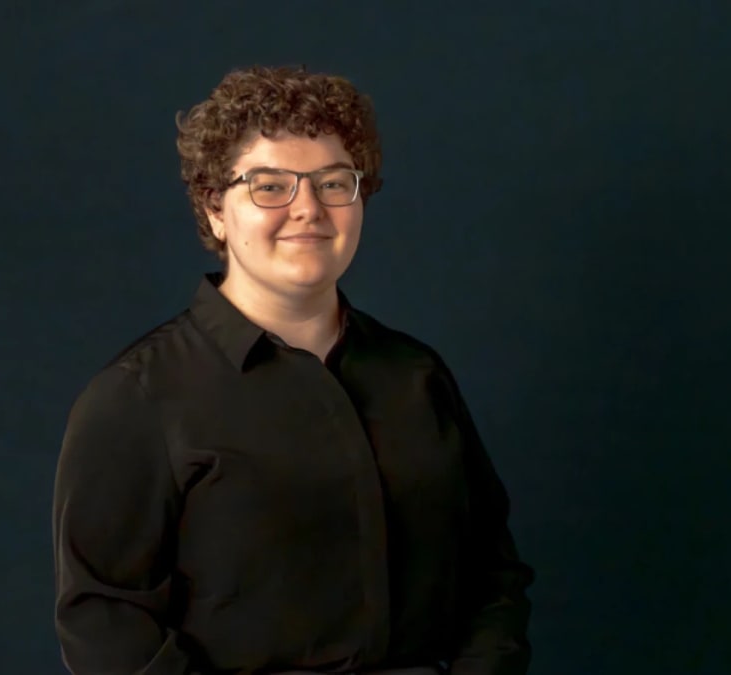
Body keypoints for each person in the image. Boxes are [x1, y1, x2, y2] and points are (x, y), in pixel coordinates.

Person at [51, 65, 534, 675]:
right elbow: (106, 621)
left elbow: (492, 571)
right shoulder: (136, 398)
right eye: (270, 185)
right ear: (215, 209)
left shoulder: (416, 375)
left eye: (334, 183)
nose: (308, 209)